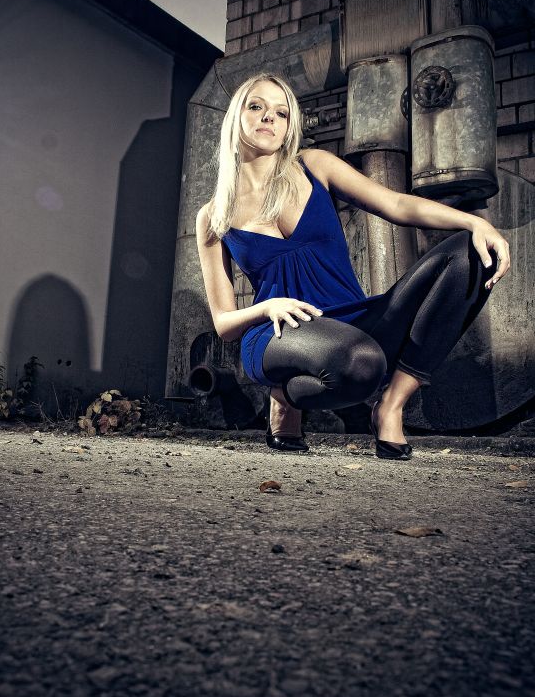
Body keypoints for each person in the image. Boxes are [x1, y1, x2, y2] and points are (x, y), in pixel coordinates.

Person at [195, 73, 510, 458]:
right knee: (362, 362)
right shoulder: (213, 216)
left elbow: (396, 204)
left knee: (470, 254)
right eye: (256, 106)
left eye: (281, 112)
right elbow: (224, 324)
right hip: (277, 332)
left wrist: (475, 223)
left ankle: (391, 404)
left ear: (289, 126)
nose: (269, 118)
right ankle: (284, 397)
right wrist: (266, 307)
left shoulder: (314, 166)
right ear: (236, 117)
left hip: (353, 320)